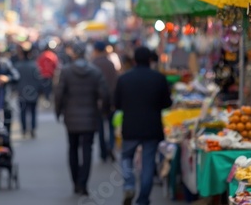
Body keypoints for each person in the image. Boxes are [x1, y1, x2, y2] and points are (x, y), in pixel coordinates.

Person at [114, 46, 173, 205]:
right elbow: (167, 103)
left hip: (130, 127)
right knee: (148, 163)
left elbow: (117, 104)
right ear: (150, 60)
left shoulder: (124, 78)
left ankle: (129, 185)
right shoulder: (158, 78)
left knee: (126, 157)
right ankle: (143, 199)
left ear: (134, 60)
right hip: (152, 127)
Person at [55, 42, 110, 196]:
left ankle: (75, 182)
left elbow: (59, 94)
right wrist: (103, 110)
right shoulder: (95, 71)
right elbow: (104, 94)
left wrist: (58, 111)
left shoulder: (66, 71)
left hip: (71, 117)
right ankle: (83, 183)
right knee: (87, 149)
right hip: (91, 116)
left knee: (72, 148)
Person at [91, 41, 118, 162]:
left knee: (101, 127)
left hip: (98, 101)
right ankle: (111, 146)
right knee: (111, 126)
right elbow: (115, 82)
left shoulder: (93, 64)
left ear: (96, 50)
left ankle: (103, 151)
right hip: (111, 100)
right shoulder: (110, 63)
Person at [14, 42, 42, 138]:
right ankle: (33, 129)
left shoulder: (18, 66)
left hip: (22, 93)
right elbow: (39, 79)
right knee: (33, 112)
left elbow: (15, 80)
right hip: (33, 92)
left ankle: (24, 130)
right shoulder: (34, 66)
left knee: (23, 112)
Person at [36, 41, 59, 106]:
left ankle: (47, 99)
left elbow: (38, 65)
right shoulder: (53, 56)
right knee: (49, 88)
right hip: (50, 75)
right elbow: (56, 66)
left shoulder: (42, 55)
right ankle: (47, 99)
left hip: (43, 75)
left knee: (45, 88)